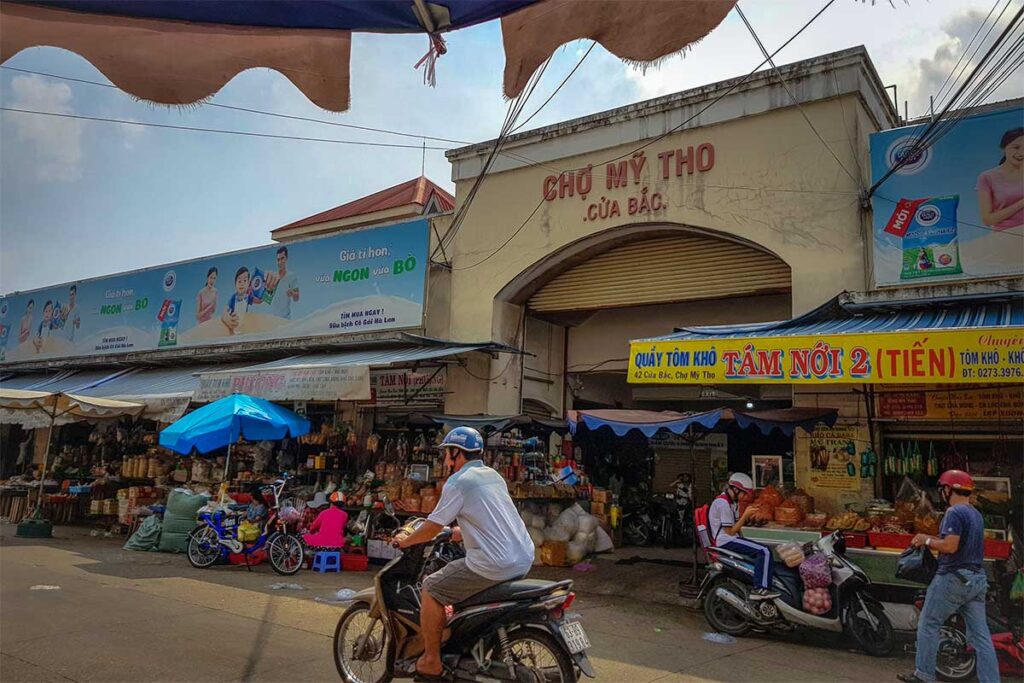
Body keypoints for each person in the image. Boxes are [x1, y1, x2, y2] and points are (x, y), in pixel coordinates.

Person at [396, 427, 534, 681]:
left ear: (456, 452)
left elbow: (431, 527)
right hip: (523, 558)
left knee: (432, 587)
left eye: (447, 453)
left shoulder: (458, 482)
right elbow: (489, 520)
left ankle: (432, 661)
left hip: (494, 563)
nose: (446, 460)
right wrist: (457, 532)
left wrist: (405, 541)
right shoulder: (493, 476)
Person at [898, 470, 1000, 683]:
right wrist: (934, 539)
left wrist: (925, 540)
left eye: (942, 489)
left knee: (929, 623)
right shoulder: (976, 514)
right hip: (976, 579)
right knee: (981, 637)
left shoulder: (954, 513)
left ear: (947, 489)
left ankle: (924, 675)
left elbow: (950, 546)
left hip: (953, 578)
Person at [709, 473, 779, 599]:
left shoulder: (732, 503)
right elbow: (730, 531)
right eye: (744, 493)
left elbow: (736, 526)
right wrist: (745, 515)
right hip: (725, 540)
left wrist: (744, 538)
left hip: (731, 538)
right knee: (765, 551)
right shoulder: (723, 503)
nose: (744, 497)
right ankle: (761, 589)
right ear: (735, 490)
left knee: (760, 548)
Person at [976, 127, 1023, 230]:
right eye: (1016, 147)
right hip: (1006, 236)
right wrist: (1021, 203)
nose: (1022, 153)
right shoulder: (987, 177)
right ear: (1004, 148)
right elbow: (988, 220)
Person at [264, 246, 300, 319]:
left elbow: (297, 297)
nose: (280, 262)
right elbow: (266, 298)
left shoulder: (291, 276)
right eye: (278, 259)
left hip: (285, 319)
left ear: (286, 258)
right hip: (273, 319)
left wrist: (292, 293)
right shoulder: (273, 277)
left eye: (282, 258)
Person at [221, 266, 254, 334]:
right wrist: (227, 318)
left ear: (248, 283)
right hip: (235, 328)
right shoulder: (233, 298)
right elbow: (225, 310)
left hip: (244, 327)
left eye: (245, 280)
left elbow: (259, 300)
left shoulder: (248, 296)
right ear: (235, 284)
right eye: (239, 281)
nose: (242, 284)